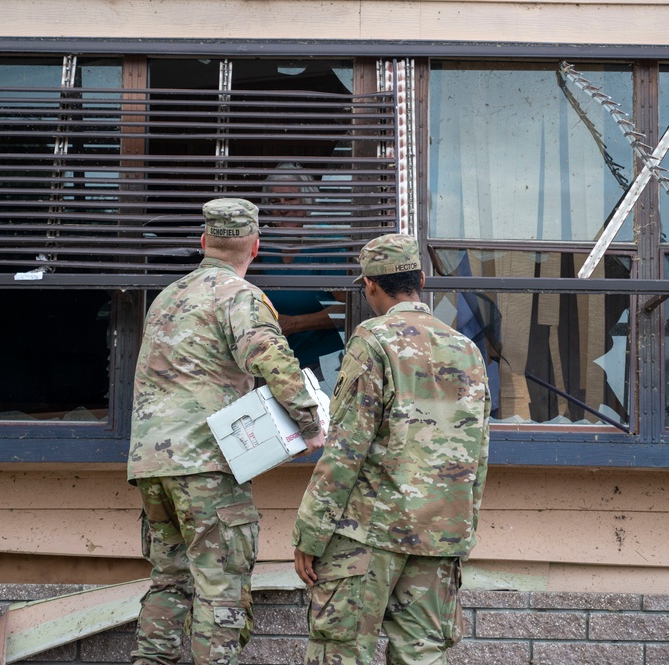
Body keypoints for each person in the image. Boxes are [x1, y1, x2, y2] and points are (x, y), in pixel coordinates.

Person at [127, 197, 326, 665]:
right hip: (206, 464)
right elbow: (270, 357)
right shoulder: (238, 295)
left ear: (203, 242)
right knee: (221, 587)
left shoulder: (168, 296)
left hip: (151, 463)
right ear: (255, 247)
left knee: (169, 581)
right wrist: (311, 423)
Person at [292, 233, 491, 664]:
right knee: (423, 655)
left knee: (341, 650)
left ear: (370, 286)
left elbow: (346, 448)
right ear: (420, 278)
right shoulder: (467, 350)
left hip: (369, 531)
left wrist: (310, 532)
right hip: (440, 532)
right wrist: (463, 531)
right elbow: (478, 453)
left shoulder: (373, 340)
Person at [260, 163, 345, 378]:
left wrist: (295, 324)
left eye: (291, 199)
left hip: (324, 363)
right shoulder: (261, 244)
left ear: (307, 202)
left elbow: (348, 310)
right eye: (275, 201)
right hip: (271, 362)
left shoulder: (327, 243)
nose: (283, 208)